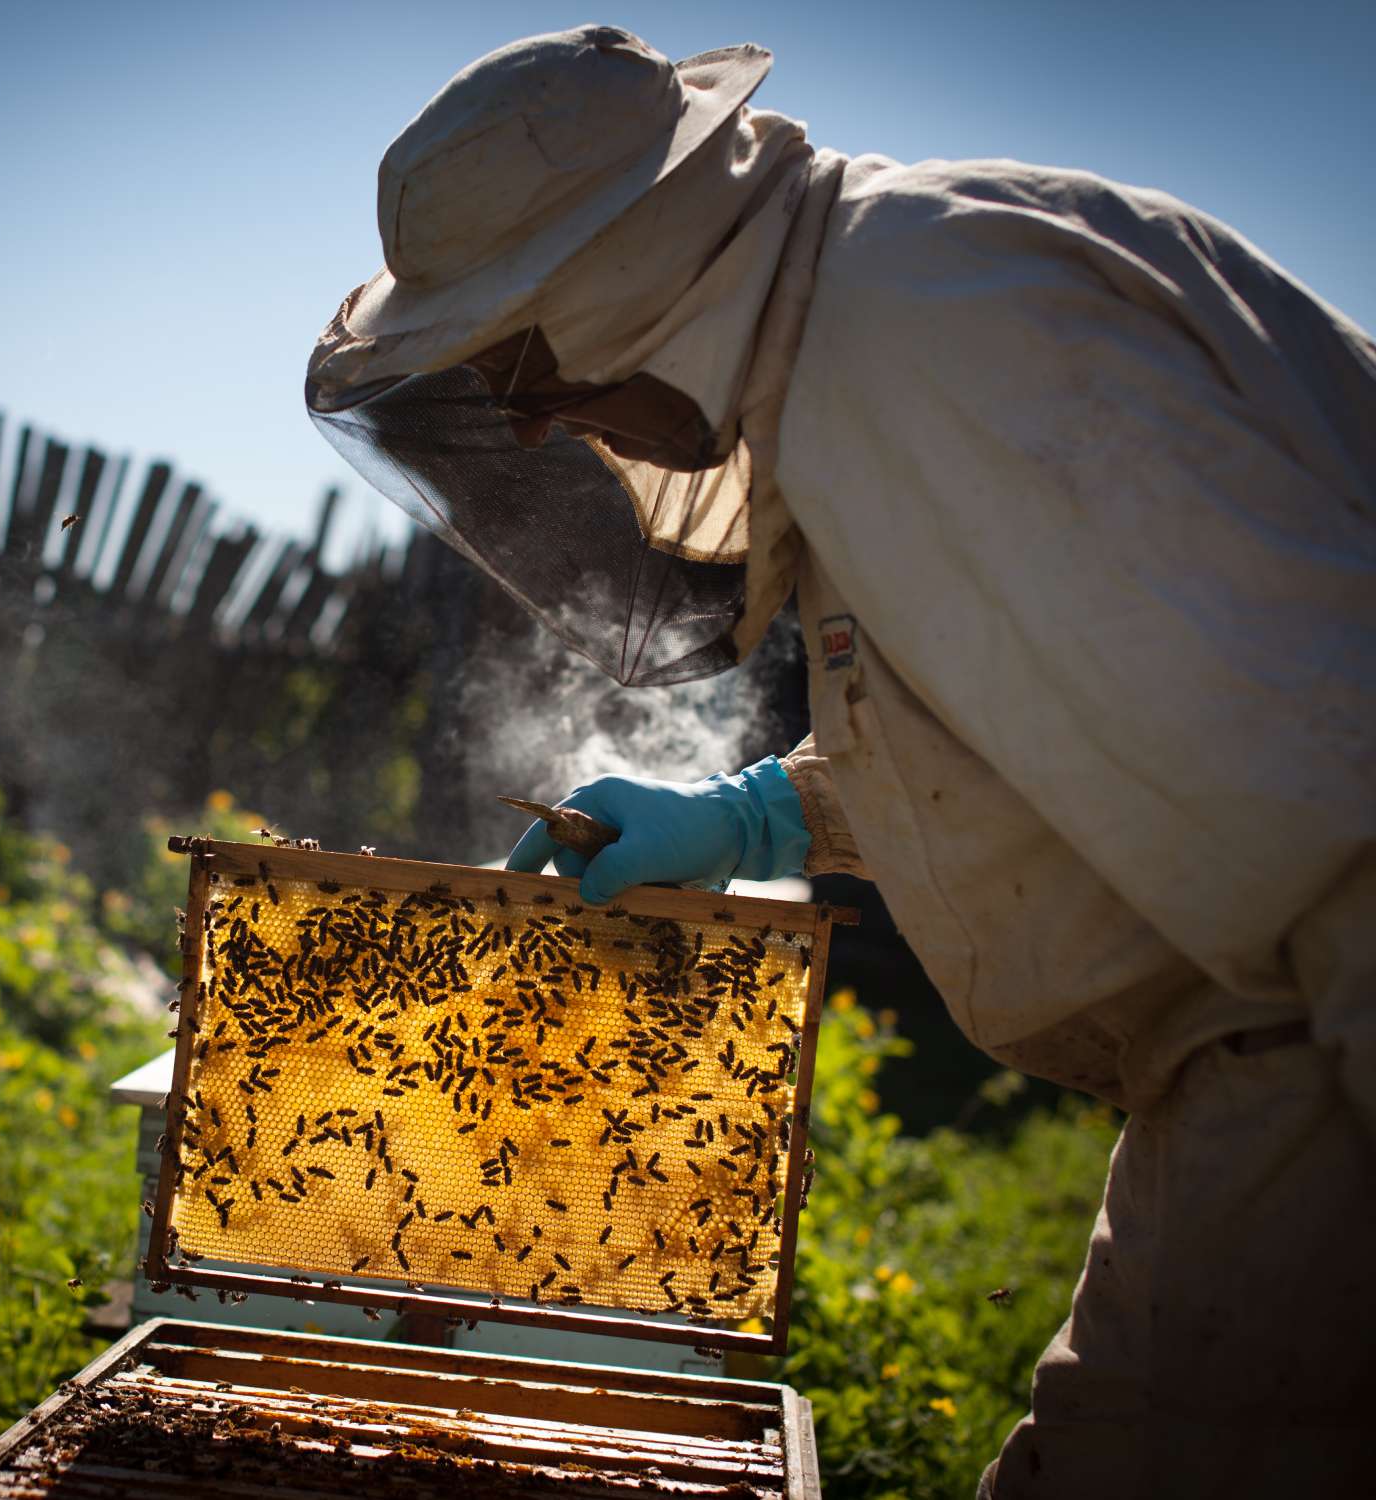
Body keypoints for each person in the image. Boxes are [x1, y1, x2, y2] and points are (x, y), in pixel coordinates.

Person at [305, 25, 1375, 1499]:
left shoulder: (940, 328)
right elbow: (1052, 717)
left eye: (524, 363)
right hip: (1253, 1067)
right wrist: (752, 816)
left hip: (1316, 1065)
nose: (538, 422)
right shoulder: (869, 325)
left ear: (633, 275)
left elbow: (1338, 788)